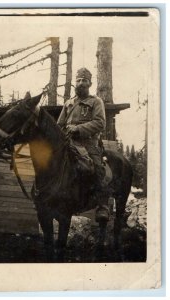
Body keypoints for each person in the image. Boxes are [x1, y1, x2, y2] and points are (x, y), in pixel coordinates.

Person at [57, 67, 109, 222]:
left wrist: (78, 129)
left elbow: (100, 123)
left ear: (90, 83)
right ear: (75, 83)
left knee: (98, 168)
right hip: (68, 142)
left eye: (84, 81)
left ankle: (102, 206)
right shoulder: (68, 103)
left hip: (88, 143)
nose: (81, 83)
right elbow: (59, 124)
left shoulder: (96, 101)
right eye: (78, 80)